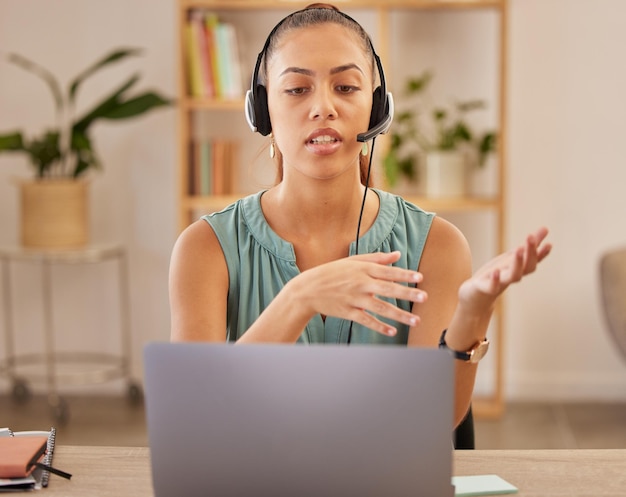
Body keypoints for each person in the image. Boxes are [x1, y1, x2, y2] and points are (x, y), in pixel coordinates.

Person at [169, 3, 551, 427]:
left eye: (346, 87)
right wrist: (300, 299)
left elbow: (430, 421)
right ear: (262, 111)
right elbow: (192, 414)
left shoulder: (437, 245)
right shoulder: (204, 248)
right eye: (297, 89)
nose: (323, 108)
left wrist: (474, 313)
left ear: (378, 108)